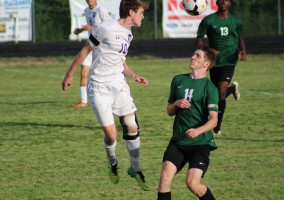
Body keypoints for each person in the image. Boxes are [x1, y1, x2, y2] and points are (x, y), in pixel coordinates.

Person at [62, 0, 150, 191]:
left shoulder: (129, 34)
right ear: (131, 12)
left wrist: (134, 75)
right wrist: (69, 74)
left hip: (119, 84)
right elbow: (85, 51)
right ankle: (112, 162)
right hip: (99, 87)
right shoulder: (106, 28)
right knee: (112, 136)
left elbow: (121, 61)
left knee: (132, 125)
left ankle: (135, 168)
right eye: (141, 12)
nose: (143, 16)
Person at [157, 44, 219, 200]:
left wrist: (197, 131)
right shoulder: (178, 80)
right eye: (193, 54)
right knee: (165, 178)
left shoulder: (210, 88)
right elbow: (169, 111)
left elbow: (213, 120)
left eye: (197, 55)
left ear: (206, 64)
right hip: (178, 141)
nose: (192, 57)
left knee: (192, 183)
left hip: (200, 144)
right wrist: (176, 103)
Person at [196, 0, 247, 136]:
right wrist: (207, 49)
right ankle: (233, 89)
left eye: (226, 0)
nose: (223, 2)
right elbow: (199, 38)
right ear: (217, 2)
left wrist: (243, 50)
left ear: (230, 3)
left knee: (221, 90)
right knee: (215, 94)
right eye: (221, 0)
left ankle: (217, 127)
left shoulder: (235, 21)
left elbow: (240, 37)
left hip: (230, 61)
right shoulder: (209, 20)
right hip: (214, 62)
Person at [72, 0, 111, 108]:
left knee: (103, 74)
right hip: (90, 45)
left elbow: (108, 27)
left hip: (100, 46)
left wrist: (92, 28)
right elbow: (90, 28)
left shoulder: (101, 10)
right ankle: (84, 101)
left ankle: (108, 98)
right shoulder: (86, 10)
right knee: (83, 72)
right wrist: (81, 30)